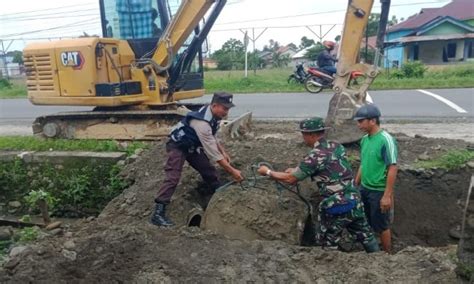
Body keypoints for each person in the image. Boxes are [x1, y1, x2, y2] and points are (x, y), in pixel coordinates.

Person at [257, 117, 379, 253]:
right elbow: (326, 166)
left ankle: (331, 269)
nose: (303, 138)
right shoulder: (336, 146)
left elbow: (291, 179)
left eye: (303, 134)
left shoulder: (315, 155)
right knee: (366, 236)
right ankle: (380, 260)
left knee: (328, 242)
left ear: (311, 135)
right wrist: (298, 170)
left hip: (337, 204)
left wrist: (267, 171)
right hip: (354, 199)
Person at [151, 92, 244, 227]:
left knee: (206, 168)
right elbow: (213, 154)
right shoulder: (202, 123)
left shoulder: (212, 115)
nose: (226, 112)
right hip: (178, 145)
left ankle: (216, 188)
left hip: (192, 146)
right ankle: (158, 213)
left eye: (228, 108)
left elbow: (213, 137)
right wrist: (232, 171)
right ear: (214, 105)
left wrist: (223, 151)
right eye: (225, 108)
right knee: (173, 177)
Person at [353, 104, 398, 253]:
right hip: (365, 188)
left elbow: (392, 167)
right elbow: (363, 163)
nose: (358, 124)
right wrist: (355, 184)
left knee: (381, 225)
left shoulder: (386, 140)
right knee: (366, 222)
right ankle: (372, 252)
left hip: (379, 191)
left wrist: (387, 195)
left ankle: (387, 255)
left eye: (361, 121)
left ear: (372, 121)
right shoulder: (365, 139)